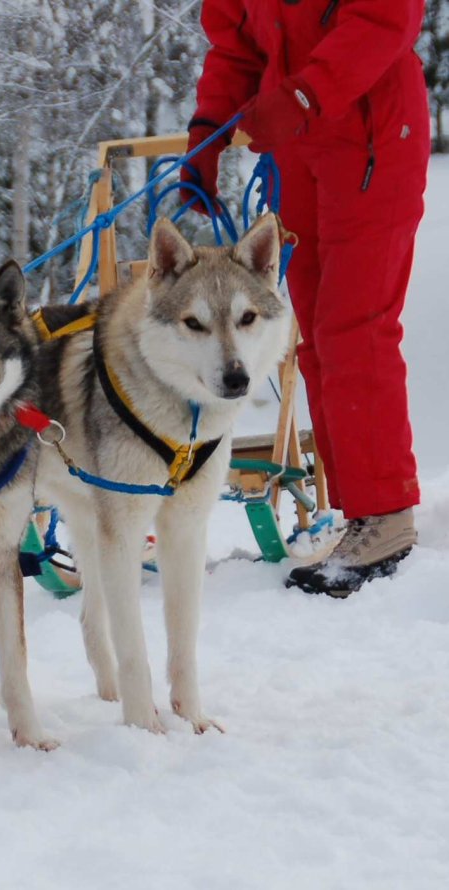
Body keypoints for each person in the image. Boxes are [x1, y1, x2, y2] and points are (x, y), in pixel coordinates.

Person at [181, 0, 430, 597]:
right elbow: (237, 43)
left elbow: (385, 20)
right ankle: (360, 510)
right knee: (316, 334)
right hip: (301, 149)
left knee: (356, 327)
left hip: (373, 133)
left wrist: (299, 97)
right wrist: (206, 134)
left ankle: (386, 513)